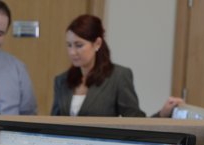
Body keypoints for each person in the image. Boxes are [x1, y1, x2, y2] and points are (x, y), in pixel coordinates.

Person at [51, 14, 182, 118]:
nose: (72, 52)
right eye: (69, 45)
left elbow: (136, 122)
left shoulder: (118, 77)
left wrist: (162, 114)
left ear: (97, 44)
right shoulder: (61, 80)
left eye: (79, 45)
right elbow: (52, 123)